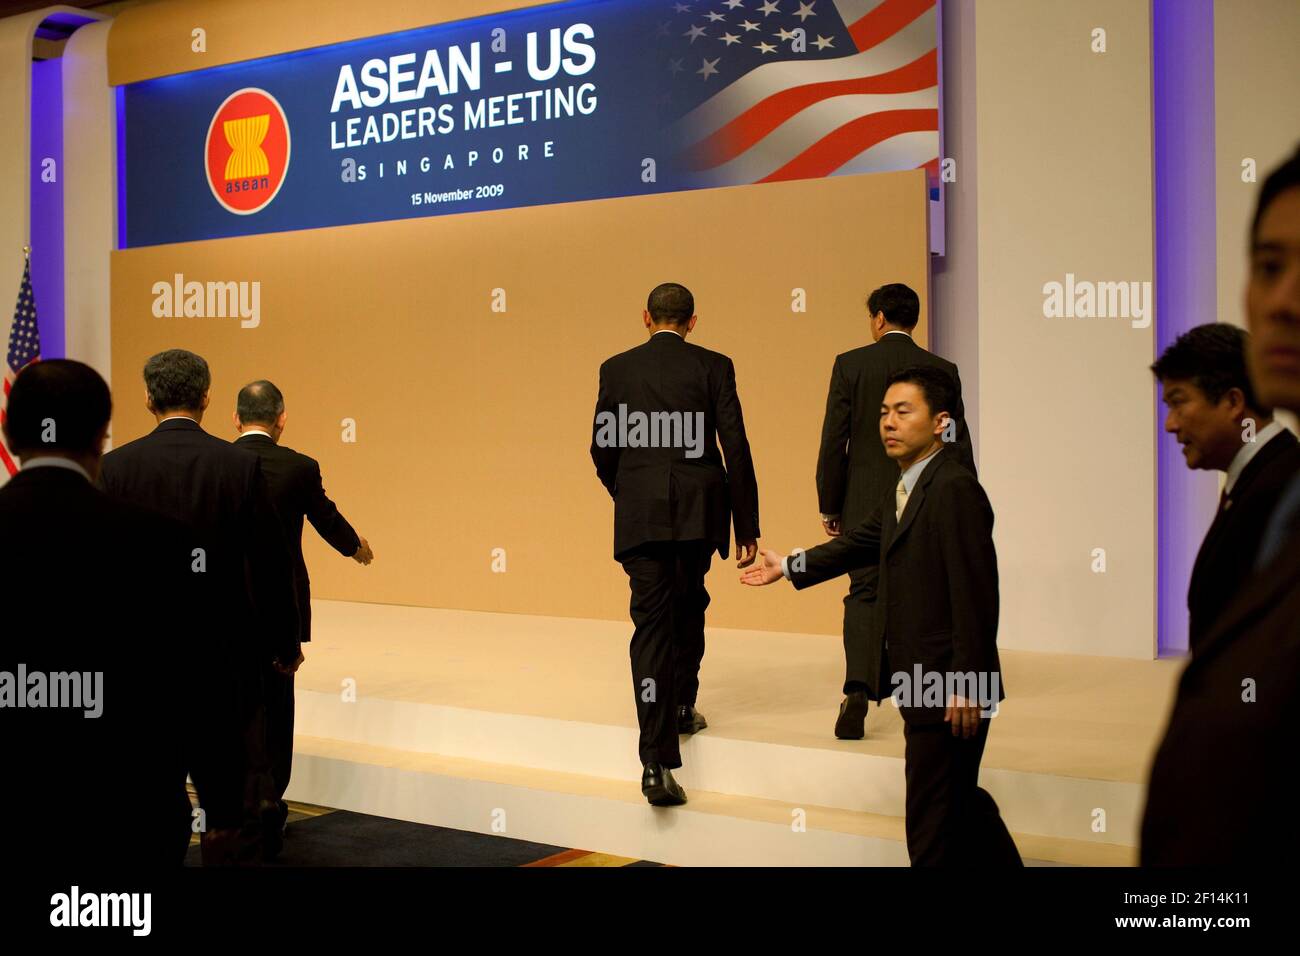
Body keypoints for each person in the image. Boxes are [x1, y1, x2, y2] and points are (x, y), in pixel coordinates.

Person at [742, 366, 1019, 866]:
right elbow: (856, 543)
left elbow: (978, 593)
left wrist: (968, 682)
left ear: (941, 423)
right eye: (885, 412)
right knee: (959, 804)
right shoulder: (907, 486)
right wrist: (788, 566)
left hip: (946, 682)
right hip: (922, 679)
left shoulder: (953, 487)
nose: (888, 422)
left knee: (931, 824)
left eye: (903, 411)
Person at [1142, 146, 1300, 864]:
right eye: (1268, 267)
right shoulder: (1266, 489)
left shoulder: (1277, 495)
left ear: (1234, 403)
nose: (1283, 301)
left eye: (1180, 403)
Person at [98, 349, 300, 864]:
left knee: (149, 798)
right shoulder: (239, 465)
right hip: (224, 660)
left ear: (147, 398)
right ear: (208, 397)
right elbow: (271, 562)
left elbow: (101, 567)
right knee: (226, 807)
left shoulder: (114, 468)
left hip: (141, 663)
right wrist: (284, 644)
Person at [0, 360, 191, 866]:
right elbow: (190, 681)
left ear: (9, 435)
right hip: (126, 817)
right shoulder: (161, 545)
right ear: (101, 436)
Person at [591, 282, 760, 806]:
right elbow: (734, 442)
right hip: (697, 511)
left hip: (641, 516)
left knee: (651, 628)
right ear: (692, 320)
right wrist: (746, 525)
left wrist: (631, 490)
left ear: (646, 316)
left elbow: (601, 446)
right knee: (690, 606)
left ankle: (655, 762)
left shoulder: (616, 368)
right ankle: (683, 705)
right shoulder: (715, 365)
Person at [816, 283, 974, 739]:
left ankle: (858, 690)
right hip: (928, 498)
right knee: (923, 593)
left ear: (879, 318)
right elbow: (955, 440)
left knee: (864, 591)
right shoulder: (943, 370)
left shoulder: (851, 365)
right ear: (914, 320)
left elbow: (834, 440)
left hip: (864, 497)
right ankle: (921, 694)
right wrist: (965, 499)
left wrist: (831, 502)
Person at [232, 379, 373, 845]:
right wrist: (355, 547)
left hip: (225, 603)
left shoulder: (218, 462)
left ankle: (235, 797)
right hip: (282, 605)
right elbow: (324, 516)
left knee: (230, 699)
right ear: (281, 419)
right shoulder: (299, 466)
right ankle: (271, 796)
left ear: (235, 418)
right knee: (277, 703)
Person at [1151, 323, 1300, 654]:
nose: (1170, 424)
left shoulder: (1285, 492)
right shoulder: (1257, 479)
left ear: (1233, 402)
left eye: (1179, 403)